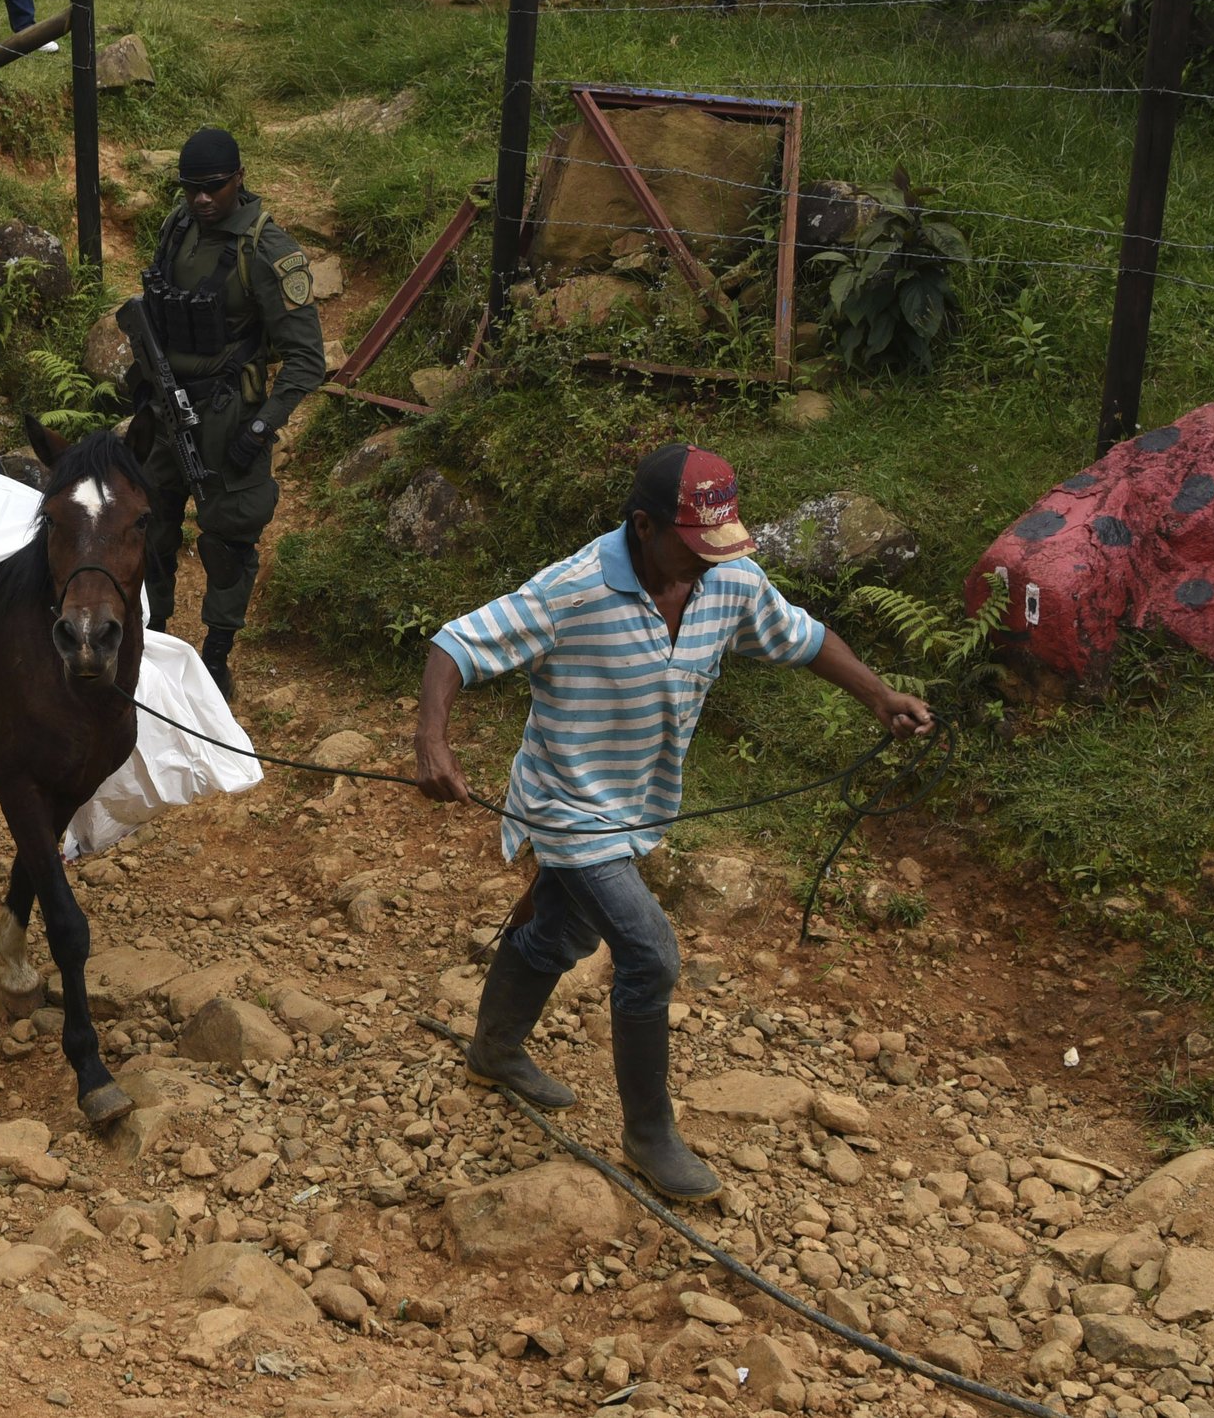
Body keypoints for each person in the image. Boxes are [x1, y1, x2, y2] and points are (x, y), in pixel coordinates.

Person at [412, 446, 933, 1200]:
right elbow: (454, 646)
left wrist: (880, 695)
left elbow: (804, 637)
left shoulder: (728, 580)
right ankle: (648, 1136)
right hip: (567, 803)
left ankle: (494, 1050)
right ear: (644, 527)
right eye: (694, 546)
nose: (709, 562)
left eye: (720, 545)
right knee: (649, 953)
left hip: (639, 803)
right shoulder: (574, 588)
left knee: (562, 931)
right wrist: (432, 740)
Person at [127, 129, 328, 696]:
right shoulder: (178, 226)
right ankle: (154, 635)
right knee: (149, 522)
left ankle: (216, 657)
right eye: (191, 188)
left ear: (239, 177)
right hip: (167, 405)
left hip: (227, 413)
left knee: (228, 537)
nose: (201, 199)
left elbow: (306, 360)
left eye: (212, 187)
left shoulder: (268, 251)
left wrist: (261, 427)